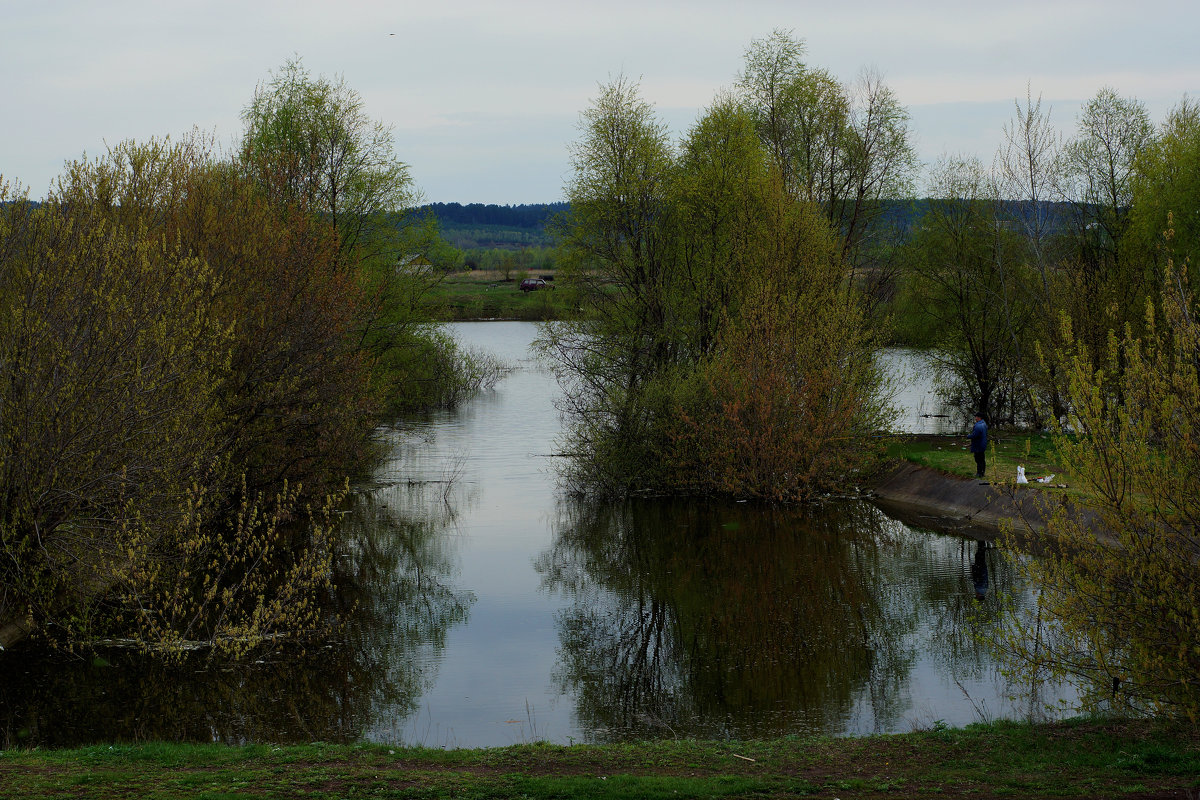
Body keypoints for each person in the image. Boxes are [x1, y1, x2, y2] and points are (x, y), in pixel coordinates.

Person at [968, 412, 988, 478]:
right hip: (983, 444)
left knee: (978, 459)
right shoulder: (984, 424)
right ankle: (982, 472)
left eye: (976, 417)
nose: (975, 418)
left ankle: (979, 473)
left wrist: (968, 436)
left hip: (978, 445)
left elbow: (975, 435)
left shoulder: (978, 425)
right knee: (982, 459)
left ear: (979, 417)